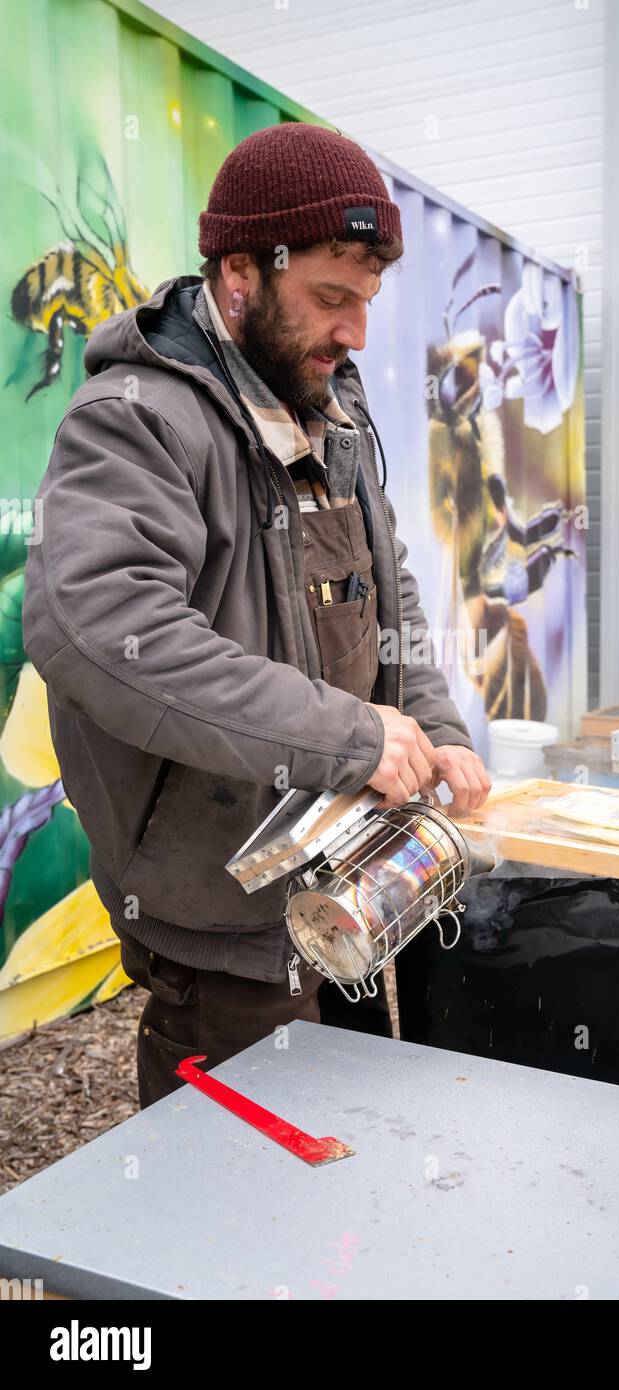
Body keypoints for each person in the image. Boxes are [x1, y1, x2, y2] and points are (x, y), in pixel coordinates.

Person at [23, 122, 490, 1108]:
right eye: (332, 298)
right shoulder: (138, 419)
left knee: (354, 1152)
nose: (356, 332)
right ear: (239, 272)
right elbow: (105, 630)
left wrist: (436, 732)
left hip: (351, 871)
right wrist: (350, 736)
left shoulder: (332, 406)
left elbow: (387, 584)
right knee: (236, 1214)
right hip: (220, 902)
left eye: (366, 300)